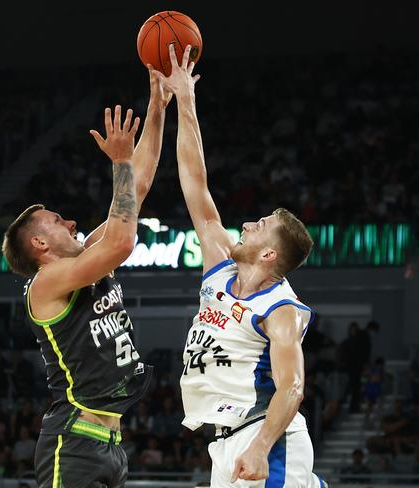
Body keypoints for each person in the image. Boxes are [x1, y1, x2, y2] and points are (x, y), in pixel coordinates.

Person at [154, 44, 325, 487]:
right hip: (224, 442)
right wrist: (185, 101)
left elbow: (291, 387)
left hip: (267, 436)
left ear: (270, 255)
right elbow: (195, 183)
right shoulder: (219, 269)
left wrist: (263, 447)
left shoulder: (280, 309)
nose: (247, 224)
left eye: (259, 226)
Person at [1, 69, 171, 488]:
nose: (72, 221)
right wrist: (118, 163)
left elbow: (139, 185)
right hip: (72, 440)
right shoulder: (45, 285)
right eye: (59, 221)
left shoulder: (87, 258)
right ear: (40, 244)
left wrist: (157, 106)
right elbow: (122, 242)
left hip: (111, 442)